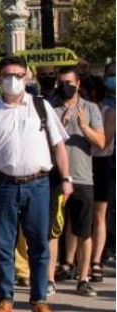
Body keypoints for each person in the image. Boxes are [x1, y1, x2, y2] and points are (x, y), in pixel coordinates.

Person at [0, 55, 72, 312]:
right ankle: (5, 298)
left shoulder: (41, 107)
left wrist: (67, 178)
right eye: (7, 75)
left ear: (27, 77)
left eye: (17, 75)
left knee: (39, 243)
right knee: (4, 243)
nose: (12, 80)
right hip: (3, 184)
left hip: (38, 184)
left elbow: (59, 145)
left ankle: (39, 298)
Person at [51, 66, 105, 297]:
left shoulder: (90, 108)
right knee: (52, 231)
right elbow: (44, 142)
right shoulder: (51, 109)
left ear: (78, 84)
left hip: (83, 177)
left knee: (84, 231)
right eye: (62, 82)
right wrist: (60, 127)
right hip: (55, 177)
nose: (66, 86)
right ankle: (49, 278)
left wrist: (84, 127)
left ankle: (83, 278)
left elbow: (101, 142)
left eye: (69, 82)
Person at [90, 62, 115, 284]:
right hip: (82, 165)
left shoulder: (109, 112)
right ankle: (74, 260)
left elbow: (102, 143)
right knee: (75, 218)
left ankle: (96, 260)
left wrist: (85, 128)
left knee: (99, 215)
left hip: (102, 164)